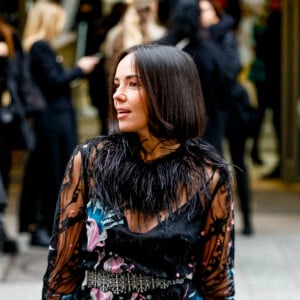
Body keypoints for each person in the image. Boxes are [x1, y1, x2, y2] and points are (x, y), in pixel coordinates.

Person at [42, 44, 235, 299]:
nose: (117, 95)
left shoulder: (208, 176)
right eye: (116, 85)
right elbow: (62, 271)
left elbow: (216, 282)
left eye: (133, 84)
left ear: (169, 91)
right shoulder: (90, 160)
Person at [19, 1, 100, 247]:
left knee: (50, 170)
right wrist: (79, 69)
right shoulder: (40, 47)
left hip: (53, 118)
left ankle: (44, 225)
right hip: (52, 120)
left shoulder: (39, 48)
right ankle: (45, 226)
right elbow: (55, 80)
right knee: (52, 171)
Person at [199, 0, 254, 235]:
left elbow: (232, 68)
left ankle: (247, 217)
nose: (201, 15)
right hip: (212, 112)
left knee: (239, 162)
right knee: (214, 163)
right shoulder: (195, 39)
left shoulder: (225, 36)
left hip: (231, 108)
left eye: (205, 10)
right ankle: (218, 217)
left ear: (215, 13)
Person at [156, 0, 234, 155]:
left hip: (171, 119)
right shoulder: (208, 51)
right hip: (207, 119)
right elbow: (225, 82)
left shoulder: (160, 48)